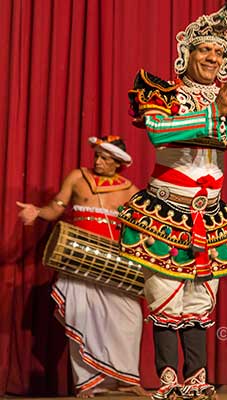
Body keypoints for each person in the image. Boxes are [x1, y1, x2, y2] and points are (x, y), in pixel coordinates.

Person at [118, 3, 227, 399]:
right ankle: (168, 380)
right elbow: (157, 132)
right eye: (206, 50)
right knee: (166, 300)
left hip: (212, 217)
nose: (213, 58)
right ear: (186, 54)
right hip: (164, 213)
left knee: (200, 304)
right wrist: (212, 116)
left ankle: (196, 380)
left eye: (220, 53)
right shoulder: (162, 92)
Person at [17, 136, 146, 398]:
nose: (98, 161)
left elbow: (141, 228)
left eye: (105, 158)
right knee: (81, 317)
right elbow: (56, 208)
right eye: (97, 156)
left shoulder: (131, 190)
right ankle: (87, 384)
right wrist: (37, 212)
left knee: (129, 320)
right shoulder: (77, 177)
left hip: (115, 265)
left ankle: (127, 378)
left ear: (118, 163)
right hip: (79, 261)